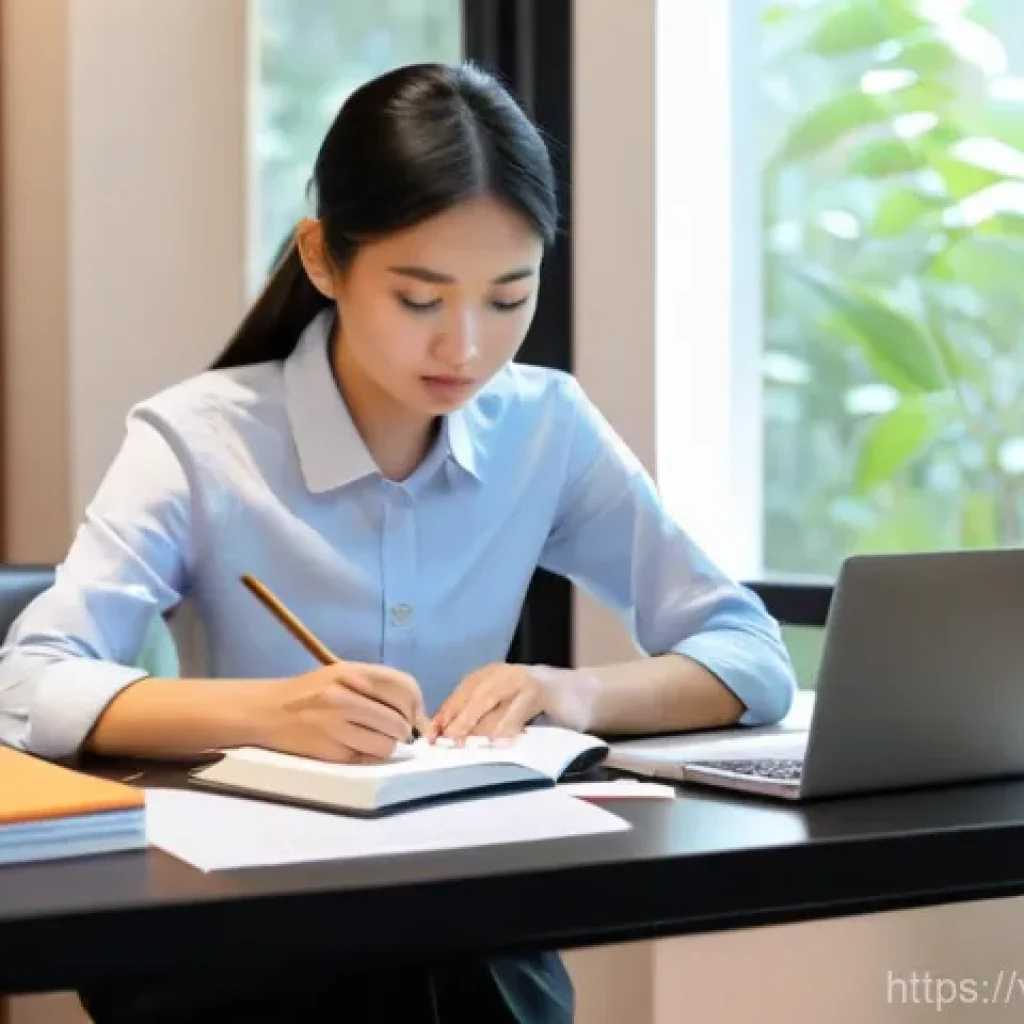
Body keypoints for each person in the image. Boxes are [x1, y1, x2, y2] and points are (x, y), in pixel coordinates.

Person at [0, 62, 796, 1023]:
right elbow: (29, 681)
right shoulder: (199, 438)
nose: (466, 348)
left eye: (509, 298)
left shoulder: (546, 427)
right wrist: (267, 712)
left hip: (465, 912)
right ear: (323, 259)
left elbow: (750, 655)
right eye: (420, 300)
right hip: (250, 925)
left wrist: (569, 692)